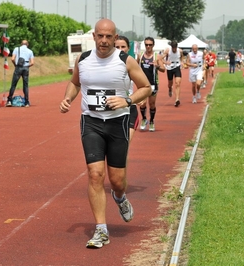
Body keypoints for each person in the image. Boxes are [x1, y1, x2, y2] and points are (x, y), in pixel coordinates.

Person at [59, 19, 151, 249]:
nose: (104, 41)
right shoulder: (83, 59)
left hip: (117, 123)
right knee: (95, 174)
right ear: (94, 36)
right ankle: (101, 230)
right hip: (91, 123)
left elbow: (146, 87)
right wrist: (68, 98)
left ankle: (120, 198)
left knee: (117, 181)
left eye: (109, 37)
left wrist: (127, 100)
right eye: (100, 36)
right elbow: (75, 83)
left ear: (115, 37)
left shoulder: (124, 61)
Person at [115, 35, 142, 141]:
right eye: (117, 47)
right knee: (116, 152)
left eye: (123, 47)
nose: (120, 50)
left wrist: (142, 97)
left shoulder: (132, 64)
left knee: (124, 145)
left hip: (130, 107)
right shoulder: (107, 64)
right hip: (113, 109)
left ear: (128, 48)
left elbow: (143, 85)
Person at [137, 37, 165, 131]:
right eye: (146, 44)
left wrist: (157, 66)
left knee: (152, 104)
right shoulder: (140, 55)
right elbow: (136, 67)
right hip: (142, 84)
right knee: (142, 104)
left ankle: (152, 121)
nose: (148, 46)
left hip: (153, 83)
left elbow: (163, 69)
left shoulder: (157, 56)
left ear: (153, 45)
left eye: (150, 44)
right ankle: (144, 119)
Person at [6, 40, 34, 107]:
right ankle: (26, 102)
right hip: (26, 68)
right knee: (25, 85)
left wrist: (15, 65)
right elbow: (32, 63)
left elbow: (12, 59)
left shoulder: (16, 49)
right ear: (27, 44)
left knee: (14, 84)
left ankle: (9, 100)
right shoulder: (30, 51)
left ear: (21, 44)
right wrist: (27, 66)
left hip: (18, 67)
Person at [163, 40, 183, 107]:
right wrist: (166, 63)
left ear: (176, 47)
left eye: (175, 47)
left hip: (177, 67)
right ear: (171, 47)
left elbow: (182, 57)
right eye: (173, 47)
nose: (174, 49)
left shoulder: (180, 51)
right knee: (170, 83)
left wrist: (182, 62)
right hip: (169, 68)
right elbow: (161, 58)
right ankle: (170, 89)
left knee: (177, 83)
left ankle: (177, 99)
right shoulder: (167, 51)